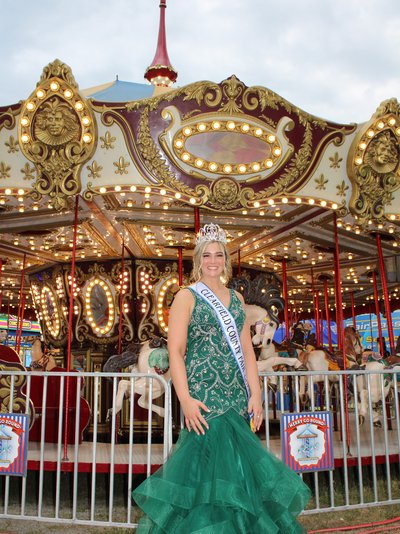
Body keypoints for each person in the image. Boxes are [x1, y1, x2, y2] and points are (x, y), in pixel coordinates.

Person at [132, 223, 310, 533]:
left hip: (235, 397)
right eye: (207, 255)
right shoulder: (186, 297)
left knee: (239, 474)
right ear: (198, 260)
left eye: (218, 255)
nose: (213, 261)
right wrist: (184, 399)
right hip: (202, 397)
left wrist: (256, 395)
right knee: (204, 479)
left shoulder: (237, 300)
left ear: (225, 259)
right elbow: (175, 351)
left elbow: (246, 350)